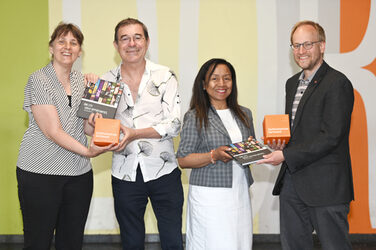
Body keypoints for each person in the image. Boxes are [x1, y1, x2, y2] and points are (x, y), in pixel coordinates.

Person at [17, 23, 118, 250]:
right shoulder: (39, 80)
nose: (67, 47)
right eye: (61, 41)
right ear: (51, 47)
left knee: (71, 242)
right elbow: (52, 132)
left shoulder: (83, 82)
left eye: (74, 42)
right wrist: (89, 151)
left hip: (79, 174)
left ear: (80, 51)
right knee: (38, 242)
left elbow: (87, 129)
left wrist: (96, 105)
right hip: (40, 173)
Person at [258, 20, 354, 250]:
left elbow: (331, 135)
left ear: (322, 46)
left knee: (335, 246)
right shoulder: (292, 83)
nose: (301, 51)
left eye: (307, 44)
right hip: (292, 182)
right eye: (296, 45)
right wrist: (280, 143)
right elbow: (298, 129)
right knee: (293, 245)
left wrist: (286, 156)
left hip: (326, 186)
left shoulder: (337, 83)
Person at [101, 18, 184, 250]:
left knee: (172, 241)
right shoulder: (106, 82)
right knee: (131, 241)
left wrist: (135, 133)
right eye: (124, 38)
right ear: (116, 46)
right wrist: (92, 119)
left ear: (147, 42)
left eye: (137, 37)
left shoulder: (165, 76)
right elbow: (94, 129)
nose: (131, 43)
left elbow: (175, 124)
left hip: (164, 171)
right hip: (124, 174)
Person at [177, 58, 255, 250]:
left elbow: (250, 149)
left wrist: (261, 150)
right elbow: (183, 158)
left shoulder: (245, 113)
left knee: (239, 243)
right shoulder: (195, 116)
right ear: (203, 84)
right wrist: (214, 155)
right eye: (215, 78)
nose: (222, 84)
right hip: (209, 197)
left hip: (240, 191)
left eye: (227, 78)